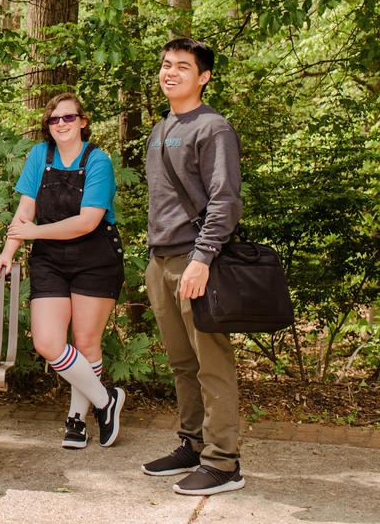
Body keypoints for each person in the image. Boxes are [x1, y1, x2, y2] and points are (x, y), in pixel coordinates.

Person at [0, 92, 127, 451]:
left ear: (83, 121)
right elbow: (25, 211)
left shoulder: (98, 161)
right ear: (47, 127)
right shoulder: (40, 155)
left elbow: (87, 221)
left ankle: (77, 419)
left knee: (86, 342)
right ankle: (105, 400)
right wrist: (8, 252)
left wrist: (34, 232)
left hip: (95, 257)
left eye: (69, 118)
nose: (62, 125)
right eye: (54, 120)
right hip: (50, 259)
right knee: (48, 342)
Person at [140, 38, 245, 496]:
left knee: (211, 362)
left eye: (183, 67)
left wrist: (202, 260)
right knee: (182, 363)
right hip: (159, 262)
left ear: (203, 77)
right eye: (166, 65)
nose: (171, 72)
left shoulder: (212, 127)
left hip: (195, 262)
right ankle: (193, 441)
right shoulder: (161, 127)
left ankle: (224, 462)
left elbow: (225, 200)